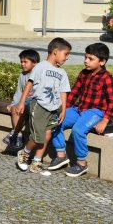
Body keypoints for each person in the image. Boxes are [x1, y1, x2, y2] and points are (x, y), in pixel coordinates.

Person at [47, 42, 113, 177]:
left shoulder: (107, 78)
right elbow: (74, 93)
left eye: (91, 59)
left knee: (78, 130)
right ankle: (61, 155)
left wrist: (105, 120)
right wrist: (64, 110)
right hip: (79, 109)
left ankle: (82, 163)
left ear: (102, 62)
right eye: (85, 57)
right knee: (55, 121)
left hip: (96, 112)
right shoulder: (84, 73)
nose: (86, 61)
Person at [15, 37, 71, 176]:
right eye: (66, 54)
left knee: (47, 136)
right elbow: (29, 84)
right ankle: (24, 153)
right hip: (39, 106)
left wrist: (63, 109)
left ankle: (36, 163)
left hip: (53, 109)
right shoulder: (40, 67)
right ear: (55, 52)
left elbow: (63, 92)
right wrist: (22, 102)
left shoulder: (62, 73)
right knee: (38, 136)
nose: (67, 58)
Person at [2, 49, 40, 150]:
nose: (22, 64)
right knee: (15, 108)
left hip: (35, 104)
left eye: (25, 62)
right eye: (21, 62)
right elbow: (19, 92)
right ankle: (18, 135)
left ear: (35, 63)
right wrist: (13, 104)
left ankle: (14, 134)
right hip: (24, 103)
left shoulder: (39, 74)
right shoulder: (22, 75)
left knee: (20, 108)